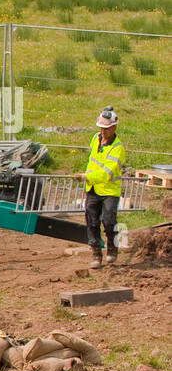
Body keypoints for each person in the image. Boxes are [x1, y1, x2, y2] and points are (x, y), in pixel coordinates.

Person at [82, 106, 125, 269]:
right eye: (101, 127)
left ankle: (112, 248)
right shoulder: (95, 139)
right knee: (92, 222)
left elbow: (106, 173)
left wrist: (86, 176)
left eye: (106, 128)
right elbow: (92, 160)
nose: (103, 131)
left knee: (108, 221)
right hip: (93, 188)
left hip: (109, 191)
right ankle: (96, 253)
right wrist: (88, 177)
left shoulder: (118, 149)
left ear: (114, 127)